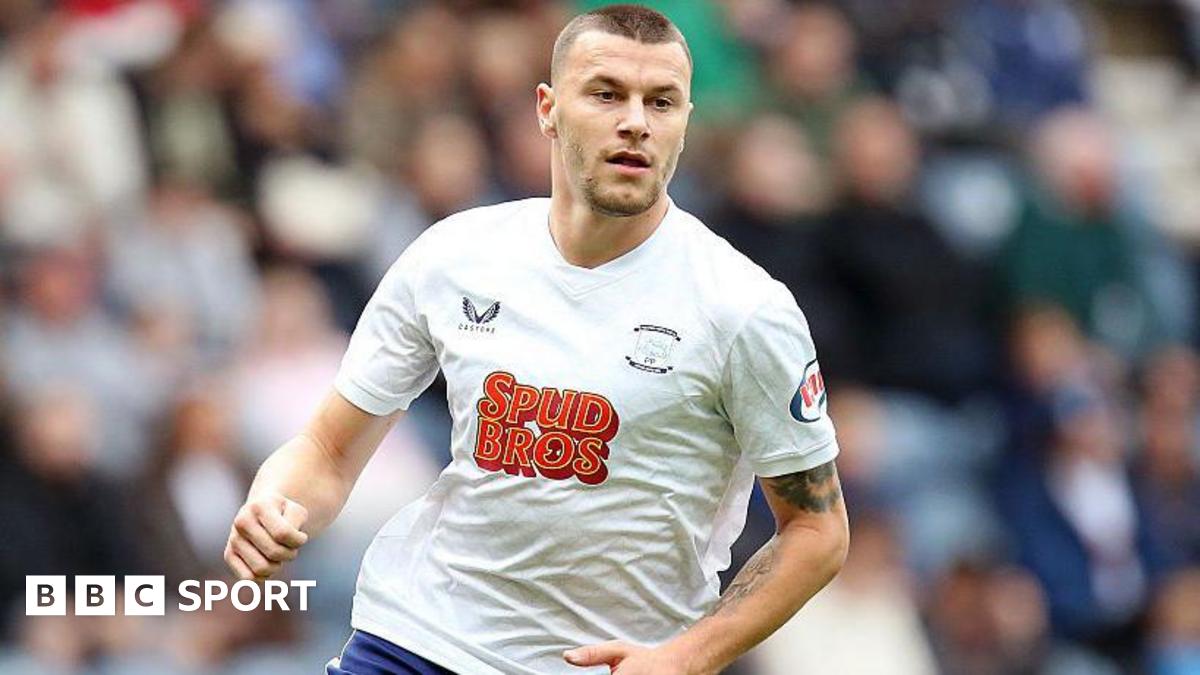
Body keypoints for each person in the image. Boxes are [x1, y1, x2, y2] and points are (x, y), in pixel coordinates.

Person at [224, 6, 849, 674]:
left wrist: (687, 657)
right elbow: (326, 450)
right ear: (547, 109)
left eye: (660, 102)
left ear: (684, 123)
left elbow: (817, 530)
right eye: (606, 93)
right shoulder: (455, 256)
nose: (635, 120)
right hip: (415, 638)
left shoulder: (742, 308)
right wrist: (276, 501)